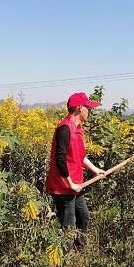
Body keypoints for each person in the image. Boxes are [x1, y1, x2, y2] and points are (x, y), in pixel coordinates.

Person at [45, 92, 106, 247]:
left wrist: (95, 170)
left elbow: (79, 156)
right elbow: (60, 160)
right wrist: (70, 183)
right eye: (87, 107)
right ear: (79, 108)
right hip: (63, 187)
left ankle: (79, 252)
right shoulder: (64, 129)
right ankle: (65, 256)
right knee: (69, 226)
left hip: (75, 186)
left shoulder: (77, 129)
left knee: (84, 218)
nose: (89, 111)